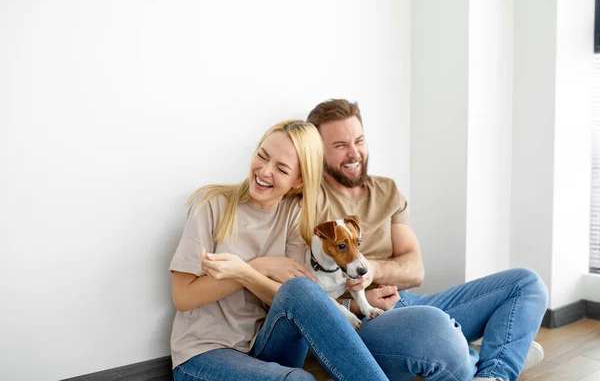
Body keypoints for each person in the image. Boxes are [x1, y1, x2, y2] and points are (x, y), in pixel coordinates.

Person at [307, 100, 548, 381]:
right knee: (438, 330)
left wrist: (370, 269)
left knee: (527, 284)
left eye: (359, 140)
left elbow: (415, 268)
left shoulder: (386, 190)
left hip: (408, 301)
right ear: (318, 151)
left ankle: (491, 372)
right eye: (340, 146)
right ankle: (498, 353)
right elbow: (304, 289)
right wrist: (356, 303)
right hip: (366, 320)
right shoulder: (310, 203)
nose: (354, 153)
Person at [169, 119, 389, 381]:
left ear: (297, 181)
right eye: (262, 156)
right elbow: (183, 297)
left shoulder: (294, 217)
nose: (264, 171)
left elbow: (291, 298)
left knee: (301, 289)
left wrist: (246, 273)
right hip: (204, 353)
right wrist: (254, 268)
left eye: (281, 169)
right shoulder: (212, 205)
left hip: (266, 345)